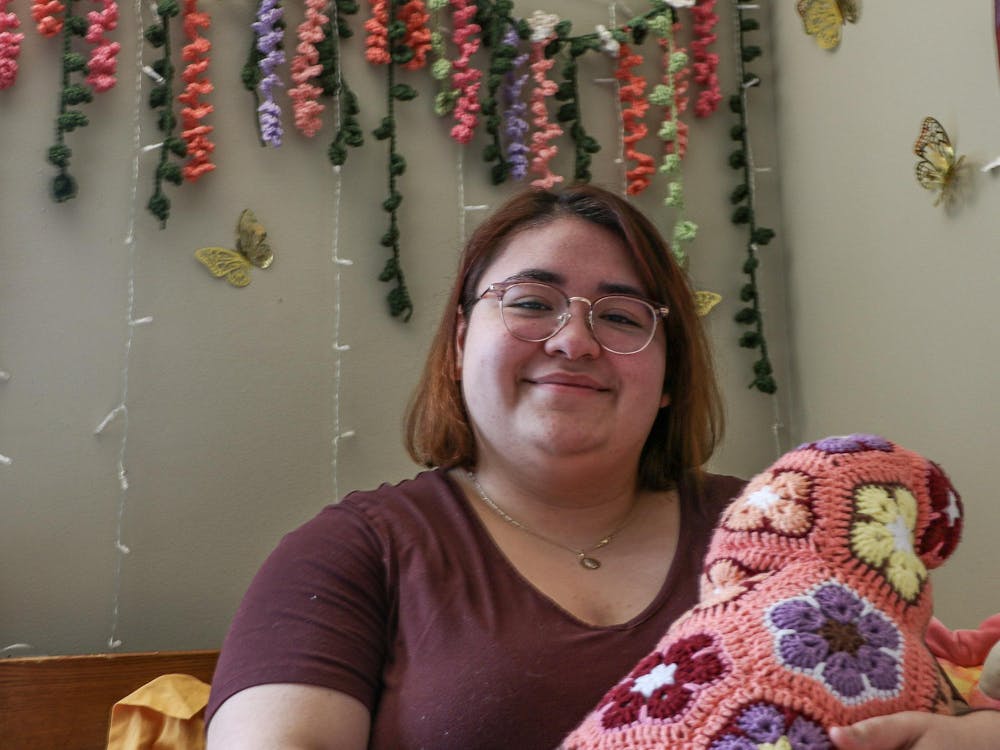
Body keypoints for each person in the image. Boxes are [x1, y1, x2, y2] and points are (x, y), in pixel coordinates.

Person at [205, 185, 999, 749]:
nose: (575, 341)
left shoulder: (785, 527)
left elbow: (923, 697)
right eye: (529, 302)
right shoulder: (354, 552)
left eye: (621, 316)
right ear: (457, 346)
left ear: (666, 379)